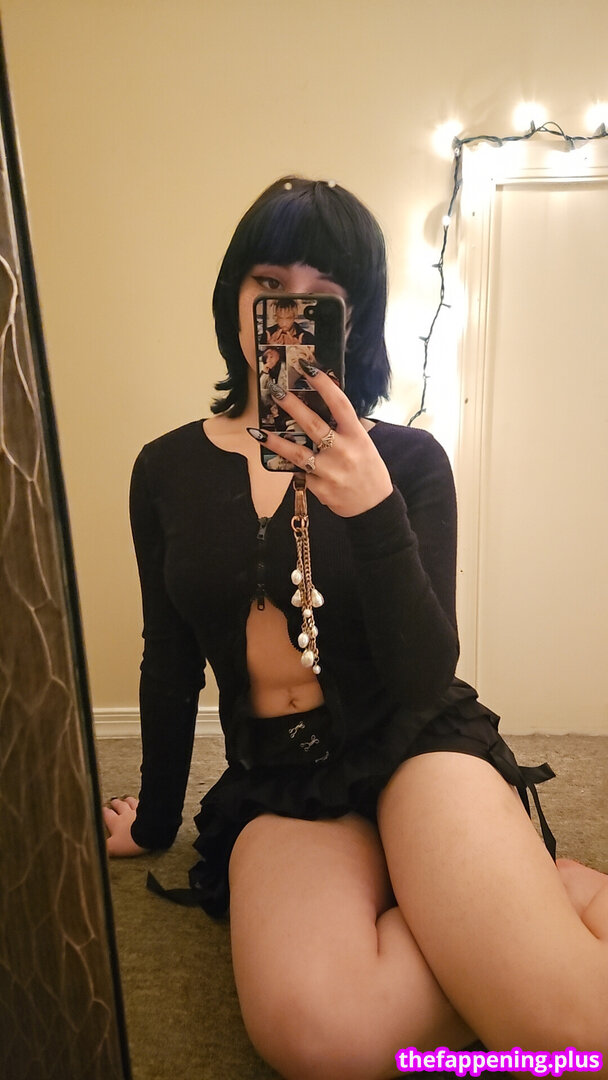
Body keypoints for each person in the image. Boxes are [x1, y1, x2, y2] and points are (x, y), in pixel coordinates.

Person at [104, 177, 608, 1080]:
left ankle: (509, 913)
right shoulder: (165, 468)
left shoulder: (407, 460)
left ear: (356, 318)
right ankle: (524, 911)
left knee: (572, 1033)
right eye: (269, 285)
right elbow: (168, 659)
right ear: (233, 296)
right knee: (321, 1038)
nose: (289, 316)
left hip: (416, 748)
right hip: (281, 778)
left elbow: (423, 676)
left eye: (322, 298)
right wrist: (155, 818)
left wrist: (374, 507)